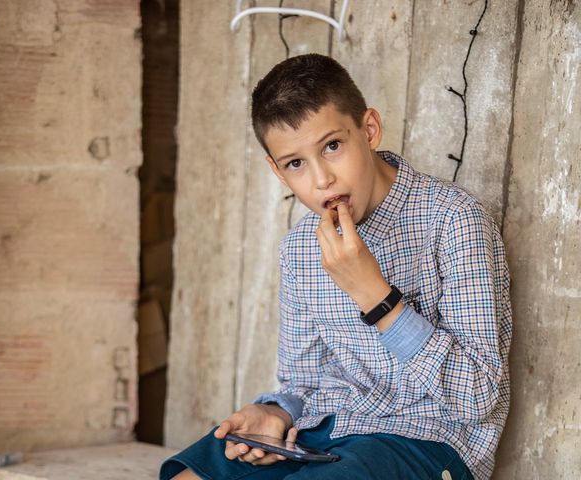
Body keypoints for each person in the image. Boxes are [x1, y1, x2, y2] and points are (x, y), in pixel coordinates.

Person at [160, 53, 511, 480]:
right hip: (324, 430)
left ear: (369, 130)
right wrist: (276, 412)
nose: (322, 178)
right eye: (296, 163)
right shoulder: (300, 250)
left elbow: (477, 397)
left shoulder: (454, 220)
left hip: (425, 439)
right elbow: (302, 382)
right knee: (190, 475)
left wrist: (375, 295)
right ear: (277, 171)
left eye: (332, 146)